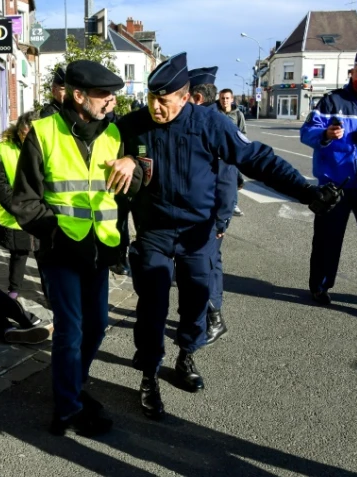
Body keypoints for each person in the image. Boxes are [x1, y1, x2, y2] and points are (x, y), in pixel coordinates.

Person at [118, 52, 341, 420]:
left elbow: (257, 159)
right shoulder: (132, 126)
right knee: (152, 306)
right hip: (154, 232)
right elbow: (111, 181)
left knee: (195, 303)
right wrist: (114, 239)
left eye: (165, 100)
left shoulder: (209, 123)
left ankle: (186, 355)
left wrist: (307, 192)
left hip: (197, 233)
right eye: (151, 98)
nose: (156, 107)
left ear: (186, 96)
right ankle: (149, 375)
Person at [11, 59, 143, 436]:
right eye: (104, 95)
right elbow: (24, 200)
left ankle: (74, 382)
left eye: (113, 95)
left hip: (100, 248)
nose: (111, 102)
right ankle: (67, 408)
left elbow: (134, 188)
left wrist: (132, 164)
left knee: (97, 324)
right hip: (61, 249)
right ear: (79, 95)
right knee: (71, 329)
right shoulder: (43, 131)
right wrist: (53, 233)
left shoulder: (115, 134)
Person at [300, 48, 357, 315]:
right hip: (336, 185)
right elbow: (307, 132)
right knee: (327, 240)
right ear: (353, 71)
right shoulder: (332, 101)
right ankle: (319, 286)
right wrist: (326, 133)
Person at [188, 67, 233, 346]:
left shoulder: (215, 126)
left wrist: (221, 220)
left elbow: (227, 180)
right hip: (204, 212)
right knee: (209, 263)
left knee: (209, 265)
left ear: (197, 98)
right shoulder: (205, 122)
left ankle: (214, 319)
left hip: (210, 213)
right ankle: (209, 316)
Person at [0, 111, 40, 300]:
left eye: (30, 134)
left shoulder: (48, 147)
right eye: (23, 133)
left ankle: (51, 294)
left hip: (41, 212)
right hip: (16, 213)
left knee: (44, 258)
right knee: (19, 254)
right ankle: (14, 289)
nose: (25, 137)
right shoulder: (4, 149)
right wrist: (17, 207)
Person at [218, 88, 247, 217]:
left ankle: (233, 204)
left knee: (233, 177)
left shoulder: (238, 114)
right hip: (218, 151)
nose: (225, 100)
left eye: (227, 98)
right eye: (222, 98)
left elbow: (243, 133)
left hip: (232, 150)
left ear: (232, 99)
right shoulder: (215, 112)